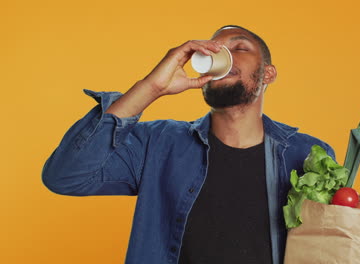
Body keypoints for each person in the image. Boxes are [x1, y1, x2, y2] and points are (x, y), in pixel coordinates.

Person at [42, 25, 336, 264]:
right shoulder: (158, 144)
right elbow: (65, 177)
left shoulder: (307, 155)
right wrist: (150, 88)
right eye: (215, 51)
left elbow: (337, 243)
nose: (224, 56)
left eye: (239, 48)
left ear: (268, 74)